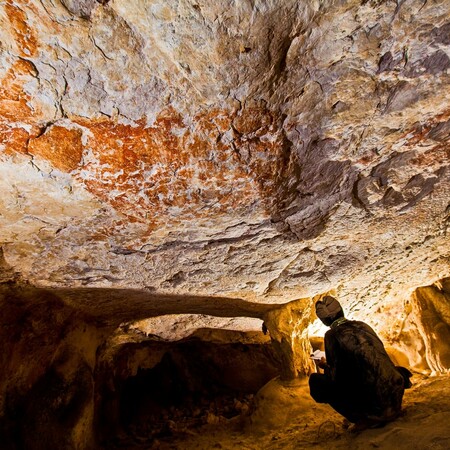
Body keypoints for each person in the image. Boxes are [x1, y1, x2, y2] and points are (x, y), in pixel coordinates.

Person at [309, 295, 412, 431]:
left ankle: (364, 418)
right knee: (390, 370)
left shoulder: (332, 335)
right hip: (394, 394)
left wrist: (325, 367)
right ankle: (392, 410)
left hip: (374, 403)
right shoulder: (363, 325)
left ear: (324, 320)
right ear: (341, 311)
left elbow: (337, 375)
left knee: (317, 382)